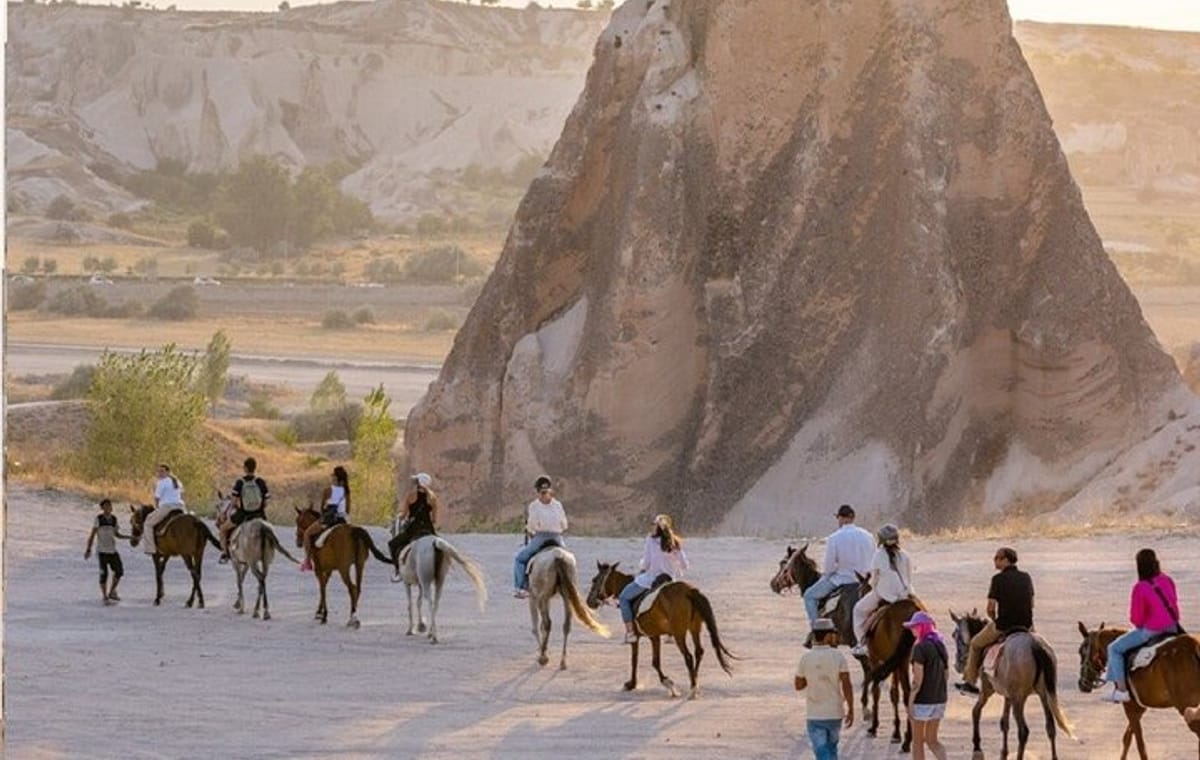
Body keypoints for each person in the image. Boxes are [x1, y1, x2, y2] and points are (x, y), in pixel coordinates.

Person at [1103, 548, 1183, 703]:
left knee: (1114, 648)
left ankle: (1121, 690)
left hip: (1152, 630)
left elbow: (1137, 619)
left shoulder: (1140, 588)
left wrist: (1146, 622)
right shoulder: (1167, 579)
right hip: (1174, 627)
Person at [955, 547, 1034, 695]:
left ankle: (970, 682)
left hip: (1005, 625)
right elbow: (1032, 603)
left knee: (975, 644)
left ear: (1006, 560)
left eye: (998, 558)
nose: (995, 560)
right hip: (1027, 625)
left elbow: (991, 608)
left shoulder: (997, 579)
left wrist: (993, 620)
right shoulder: (1026, 577)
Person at [618, 514, 689, 644]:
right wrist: (673, 567)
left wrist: (641, 568)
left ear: (658, 527)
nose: (651, 527)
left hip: (651, 579)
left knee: (624, 597)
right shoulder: (676, 542)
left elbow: (646, 563)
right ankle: (671, 634)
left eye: (653, 524)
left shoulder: (650, 540)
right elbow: (685, 565)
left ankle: (630, 633)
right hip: (669, 581)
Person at [802, 504, 875, 628]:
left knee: (809, 595)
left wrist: (826, 575)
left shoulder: (834, 537)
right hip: (866, 581)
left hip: (843, 579)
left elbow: (829, 567)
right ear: (853, 518)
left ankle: (816, 630)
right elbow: (874, 559)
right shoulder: (868, 536)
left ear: (841, 518)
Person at [795, 618, 854, 760]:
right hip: (835, 713)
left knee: (822, 752)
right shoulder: (839, 657)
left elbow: (798, 685)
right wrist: (851, 708)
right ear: (828, 636)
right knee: (832, 749)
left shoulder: (805, 658)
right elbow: (847, 684)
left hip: (814, 714)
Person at [850, 523, 914, 656]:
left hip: (885, 595)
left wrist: (875, 587)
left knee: (858, 610)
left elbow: (874, 580)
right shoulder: (905, 555)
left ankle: (862, 644)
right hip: (906, 594)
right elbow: (909, 577)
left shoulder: (878, 555)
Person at [511, 475, 567, 598]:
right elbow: (564, 525)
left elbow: (532, 526)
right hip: (557, 538)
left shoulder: (534, 506)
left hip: (541, 537)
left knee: (520, 559)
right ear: (550, 490)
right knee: (568, 560)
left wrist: (529, 531)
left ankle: (520, 588)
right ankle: (570, 586)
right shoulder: (558, 505)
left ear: (537, 491)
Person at [904, 611, 949, 760]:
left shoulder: (919, 648)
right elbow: (946, 675)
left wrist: (910, 702)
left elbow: (918, 679)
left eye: (914, 627)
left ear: (921, 627)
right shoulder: (940, 646)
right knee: (932, 740)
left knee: (917, 742)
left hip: (922, 701)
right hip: (939, 699)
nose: (912, 630)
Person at [220, 456, 271, 563]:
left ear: (245, 468)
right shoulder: (260, 482)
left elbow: (233, 502)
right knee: (269, 532)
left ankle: (225, 554)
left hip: (243, 514)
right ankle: (268, 551)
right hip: (259, 515)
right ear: (255, 468)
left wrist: (239, 507)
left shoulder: (240, 482)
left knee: (223, 529)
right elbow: (266, 502)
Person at [301, 465, 351, 572]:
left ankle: (307, 561)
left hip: (330, 520)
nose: (331, 477)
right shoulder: (347, 492)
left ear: (336, 478)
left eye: (333, 475)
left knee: (307, 534)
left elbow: (322, 509)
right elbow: (347, 510)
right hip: (343, 520)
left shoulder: (328, 490)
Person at [84, 498, 128, 605]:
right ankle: (104, 596)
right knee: (104, 574)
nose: (109, 508)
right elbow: (92, 535)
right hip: (102, 551)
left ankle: (112, 591)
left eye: (110, 506)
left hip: (112, 550)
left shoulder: (114, 519)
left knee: (119, 571)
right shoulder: (99, 519)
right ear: (102, 508)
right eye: (106, 506)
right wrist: (88, 549)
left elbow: (117, 534)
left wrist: (129, 537)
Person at [389, 472, 440, 558]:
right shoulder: (433, 498)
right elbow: (434, 519)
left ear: (419, 483)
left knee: (392, 544)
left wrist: (398, 517)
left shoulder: (411, 495)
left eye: (416, 482)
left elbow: (404, 515)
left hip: (413, 528)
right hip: (428, 528)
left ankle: (398, 569)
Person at [143, 463, 185, 555]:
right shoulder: (177, 481)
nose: (160, 473)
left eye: (162, 471)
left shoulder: (161, 482)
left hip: (167, 506)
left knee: (148, 523)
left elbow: (157, 498)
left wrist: (157, 508)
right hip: (180, 506)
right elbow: (181, 494)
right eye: (158, 471)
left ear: (168, 472)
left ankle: (150, 549)